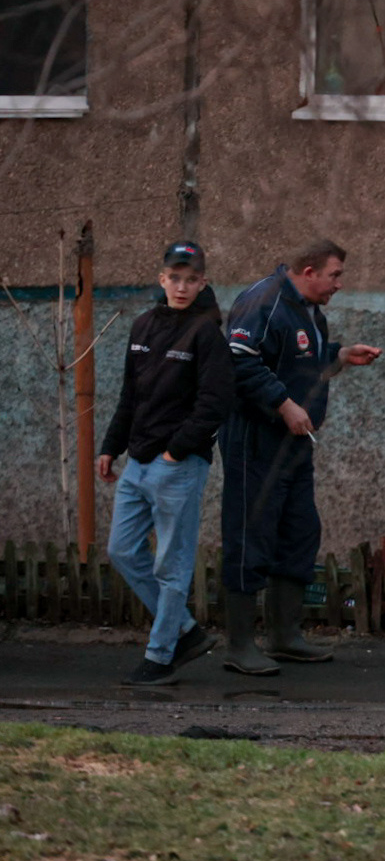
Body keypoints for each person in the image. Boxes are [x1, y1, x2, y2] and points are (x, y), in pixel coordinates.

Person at [220, 239, 383, 676]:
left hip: (293, 445)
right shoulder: (265, 301)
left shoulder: (308, 310)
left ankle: (284, 636)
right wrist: (283, 404)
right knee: (249, 536)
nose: (339, 285)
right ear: (308, 272)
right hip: (255, 438)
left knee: (298, 531)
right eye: (334, 275)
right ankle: (239, 644)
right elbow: (238, 360)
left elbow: (300, 359)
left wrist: (341, 355)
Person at [97, 241, 234, 686]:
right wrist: (110, 446)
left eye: (190, 279)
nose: (181, 286)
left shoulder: (207, 333)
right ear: (161, 279)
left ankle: (160, 658)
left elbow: (215, 403)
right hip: (136, 463)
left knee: (171, 566)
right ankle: (186, 632)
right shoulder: (142, 325)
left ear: (202, 283)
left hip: (178, 465)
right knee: (121, 549)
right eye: (174, 278)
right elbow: (129, 396)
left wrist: (177, 450)